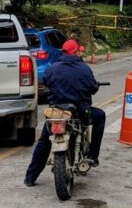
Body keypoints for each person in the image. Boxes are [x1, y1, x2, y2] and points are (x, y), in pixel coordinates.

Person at [24, 38, 106, 186]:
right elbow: (93, 88)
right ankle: (93, 156)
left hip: (57, 112)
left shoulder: (52, 68)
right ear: (75, 52)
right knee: (100, 116)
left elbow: (47, 83)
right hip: (80, 112)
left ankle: (30, 177)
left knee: (44, 142)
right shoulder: (84, 69)